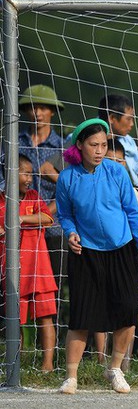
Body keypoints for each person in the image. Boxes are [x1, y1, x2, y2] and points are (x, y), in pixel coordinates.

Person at [56, 118, 138, 395]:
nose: (99, 150)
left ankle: (115, 369)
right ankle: (71, 377)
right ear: (79, 145)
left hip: (122, 249)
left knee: (126, 310)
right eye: (93, 145)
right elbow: (64, 215)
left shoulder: (116, 172)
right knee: (82, 315)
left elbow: (133, 211)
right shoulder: (67, 177)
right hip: (85, 252)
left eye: (103, 145)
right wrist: (71, 232)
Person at [92, 139, 138, 370]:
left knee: (127, 308)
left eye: (120, 161)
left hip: (124, 254)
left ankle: (123, 363)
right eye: (110, 160)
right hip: (96, 252)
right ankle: (100, 360)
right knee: (98, 307)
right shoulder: (90, 184)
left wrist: (125, 228)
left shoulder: (130, 190)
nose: (115, 164)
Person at [1, 85, 67, 296]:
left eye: (42, 108)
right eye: (32, 108)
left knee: (50, 294)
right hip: (17, 230)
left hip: (54, 230)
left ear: (53, 111)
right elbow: (3, 181)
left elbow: (67, 191)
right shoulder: (13, 143)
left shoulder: (63, 148)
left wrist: (44, 212)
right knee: (13, 291)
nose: (37, 113)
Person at [0, 154, 58, 372]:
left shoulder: (34, 197)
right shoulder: (1, 200)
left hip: (39, 268)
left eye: (31, 174)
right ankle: (16, 365)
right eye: (25, 173)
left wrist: (21, 219)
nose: (29, 178)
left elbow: (48, 218)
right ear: (9, 174)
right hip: (13, 271)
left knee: (46, 315)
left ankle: (47, 365)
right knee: (15, 320)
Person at [98, 94, 138, 205]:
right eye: (128, 119)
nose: (132, 124)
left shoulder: (127, 143)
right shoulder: (84, 139)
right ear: (112, 118)